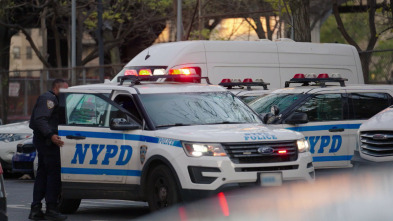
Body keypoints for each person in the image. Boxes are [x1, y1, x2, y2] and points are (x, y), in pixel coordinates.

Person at [28, 79, 68, 221]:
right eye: (65, 90)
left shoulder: (54, 99)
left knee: (43, 174)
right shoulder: (49, 99)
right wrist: (50, 135)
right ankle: (51, 208)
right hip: (47, 143)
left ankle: (36, 209)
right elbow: (40, 120)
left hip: (46, 142)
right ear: (57, 89)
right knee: (53, 175)